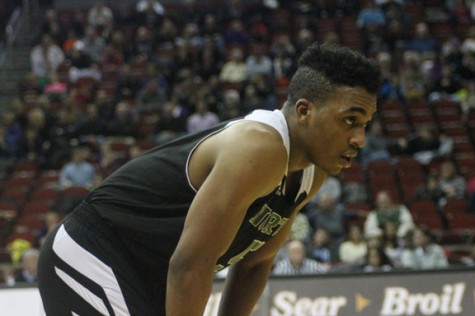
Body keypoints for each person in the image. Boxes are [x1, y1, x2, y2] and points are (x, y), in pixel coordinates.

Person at [38, 42, 381, 315]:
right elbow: (191, 264)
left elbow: (254, 264)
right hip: (94, 253)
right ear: (305, 111)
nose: (360, 139)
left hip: (151, 277)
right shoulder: (260, 148)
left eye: (365, 123)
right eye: (349, 120)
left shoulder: (311, 172)